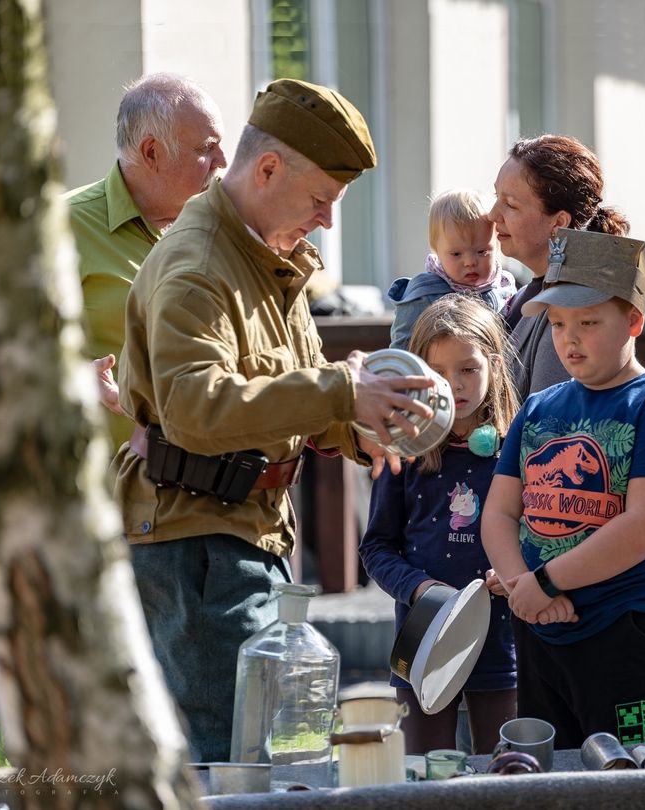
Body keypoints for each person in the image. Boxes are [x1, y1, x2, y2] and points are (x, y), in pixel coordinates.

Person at [115, 78, 437, 762]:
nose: (326, 220)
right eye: (321, 199)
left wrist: (365, 425)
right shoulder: (199, 265)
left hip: (242, 533)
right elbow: (197, 410)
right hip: (195, 545)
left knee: (263, 758)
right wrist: (338, 394)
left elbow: (293, 394)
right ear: (266, 170)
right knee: (224, 761)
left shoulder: (266, 257)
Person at [481, 228, 645, 750]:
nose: (569, 338)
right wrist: (523, 586)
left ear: (633, 320)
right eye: (558, 323)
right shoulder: (538, 408)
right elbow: (498, 512)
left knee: (642, 778)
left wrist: (549, 581)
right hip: (539, 629)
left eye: (588, 322)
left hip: (629, 632)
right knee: (554, 779)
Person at [360, 294, 520, 754]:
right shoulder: (403, 449)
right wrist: (420, 590)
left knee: (504, 769)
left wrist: (516, 572)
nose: (454, 385)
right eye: (439, 373)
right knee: (424, 773)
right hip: (422, 640)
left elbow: (539, 534)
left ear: (493, 365)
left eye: (468, 369)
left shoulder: (521, 450)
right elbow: (376, 548)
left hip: (502, 643)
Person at [64, 73, 228, 449]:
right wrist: (70, 381)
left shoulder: (219, 232)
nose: (222, 161)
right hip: (104, 491)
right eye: (207, 148)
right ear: (152, 152)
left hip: (205, 497)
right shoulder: (59, 229)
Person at [488, 134, 630, 399]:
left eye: (510, 204)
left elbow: (548, 426)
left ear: (558, 223)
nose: (492, 214)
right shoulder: (526, 294)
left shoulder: (573, 308)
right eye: (497, 197)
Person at [387, 189, 517, 350]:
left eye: (482, 252)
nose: (470, 262)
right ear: (436, 250)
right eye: (456, 254)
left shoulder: (504, 285)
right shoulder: (424, 294)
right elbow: (402, 348)